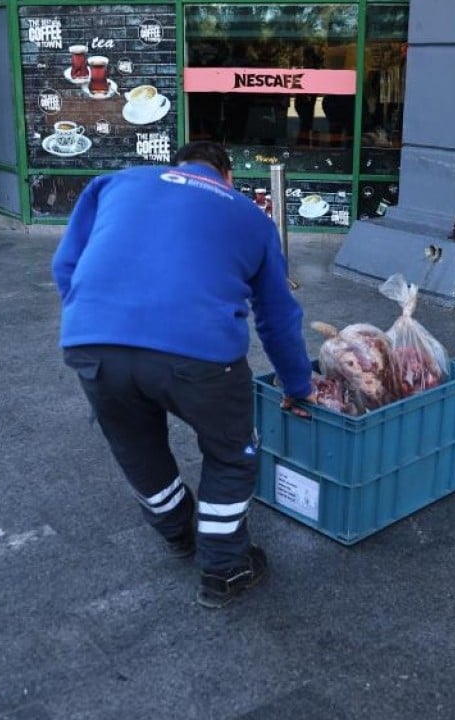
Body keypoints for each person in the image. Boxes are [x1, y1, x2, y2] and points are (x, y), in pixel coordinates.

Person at [52, 141, 314, 608]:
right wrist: (298, 386)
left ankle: (176, 533)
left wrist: (99, 322)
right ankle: (224, 569)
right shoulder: (250, 215)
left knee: (136, 447)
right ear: (227, 175)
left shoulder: (118, 183)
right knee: (231, 455)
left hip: (92, 342)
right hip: (202, 354)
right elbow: (276, 317)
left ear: (179, 167)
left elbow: (66, 266)